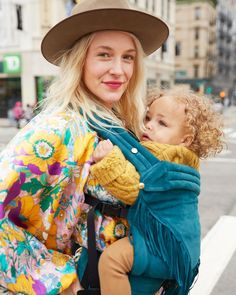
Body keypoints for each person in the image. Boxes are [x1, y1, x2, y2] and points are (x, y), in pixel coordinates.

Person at [0, 0, 169, 294]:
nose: (119, 70)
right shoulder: (57, 128)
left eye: (128, 57)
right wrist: (64, 283)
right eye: (104, 55)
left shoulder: (121, 121)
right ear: (80, 60)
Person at [90, 88, 224, 295]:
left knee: (113, 260)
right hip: (178, 247)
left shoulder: (162, 158)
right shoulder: (181, 159)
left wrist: (108, 160)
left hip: (167, 249)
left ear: (185, 140)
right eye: (149, 117)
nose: (149, 125)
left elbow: (134, 190)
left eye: (162, 123)